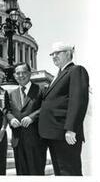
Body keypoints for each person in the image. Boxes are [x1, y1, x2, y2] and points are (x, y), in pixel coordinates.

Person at [38, 42, 89, 176]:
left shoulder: (76, 70)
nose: (54, 56)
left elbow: (78, 100)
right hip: (54, 134)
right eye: (52, 54)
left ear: (67, 54)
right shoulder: (59, 74)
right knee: (60, 172)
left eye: (57, 53)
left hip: (65, 134)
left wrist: (71, 128)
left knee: (69, 172)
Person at [6, 62, 47, 175]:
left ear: (30, 74)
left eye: (24, 72)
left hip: (36, 141)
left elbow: (46, 108)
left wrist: (32, 117)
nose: (21, 75)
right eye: (18, 73)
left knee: (36, 174)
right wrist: (11, 119)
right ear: (14, 75)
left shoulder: (41, 89)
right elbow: (7, 110)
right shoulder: (11, 93)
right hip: (18, 141)